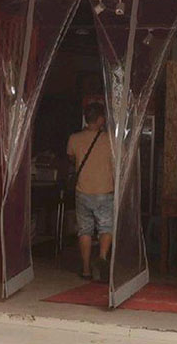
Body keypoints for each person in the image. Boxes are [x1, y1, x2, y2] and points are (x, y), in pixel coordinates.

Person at [66, 102, 114, 282]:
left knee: (84, 230)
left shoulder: (74, 138)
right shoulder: (110, 140)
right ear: (101, 119)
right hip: (105, 190)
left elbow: (71, 158)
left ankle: (86, 269)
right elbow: (120, 160)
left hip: (83, 191)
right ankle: (102, 257)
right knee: (106, 227)